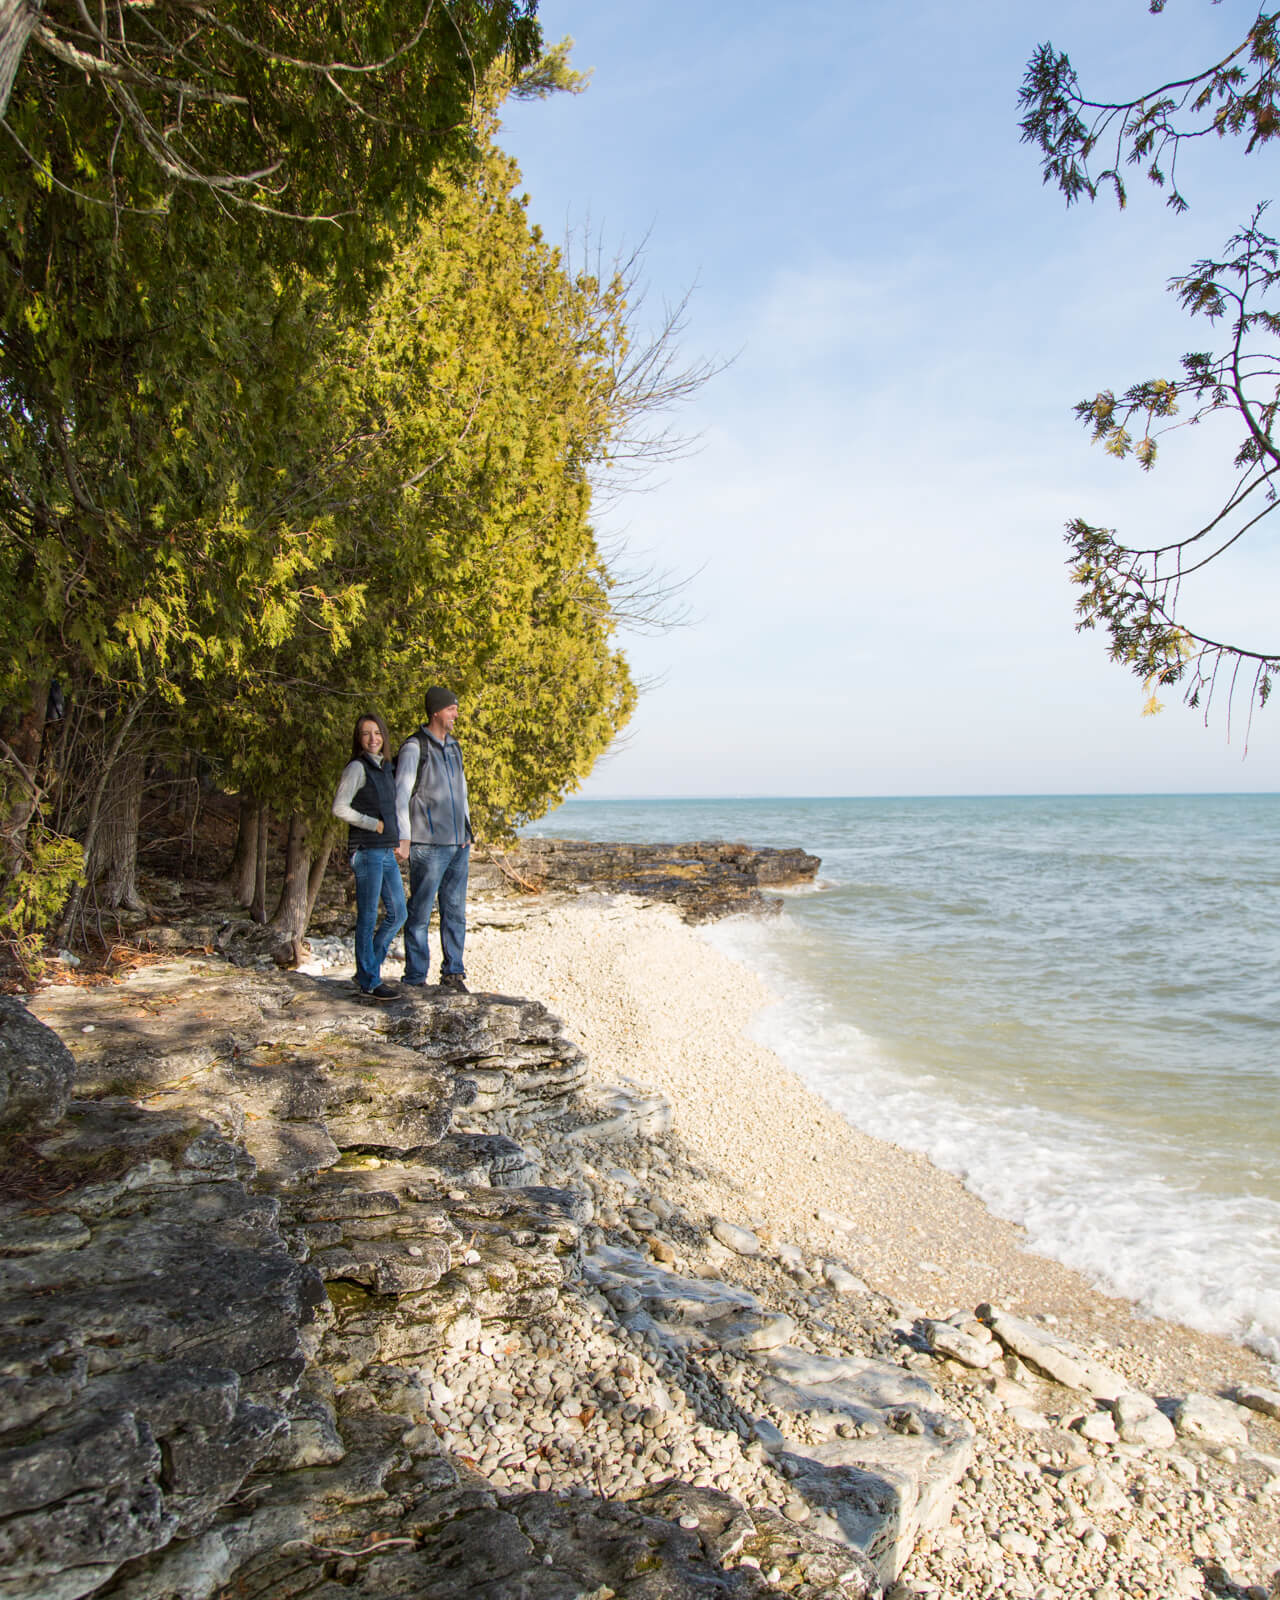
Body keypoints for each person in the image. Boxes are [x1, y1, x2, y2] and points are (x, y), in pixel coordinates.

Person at [395, 686, 472, 992]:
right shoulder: (415, 747)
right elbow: (401, 794)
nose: (456, 714)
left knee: (455, 911)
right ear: (437, 711)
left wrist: (467, 829)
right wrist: (404, 837)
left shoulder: (454, 747)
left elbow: (461, 790)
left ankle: (453, 974)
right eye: (452, 709)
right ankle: (415, 976)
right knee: (420, 912)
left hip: (457, 844)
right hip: (427, 845)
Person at [331, 712, 406, 1000]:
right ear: (359, 739)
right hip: (366, 850)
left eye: (377, 733)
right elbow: (339, 808)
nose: (373, 738)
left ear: (384, 736)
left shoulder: (386, 768)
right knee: (367, 916)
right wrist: (371, 823)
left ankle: (367, 969)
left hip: (385, 850)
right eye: (366, 733)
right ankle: (370, 981)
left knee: (399, 912)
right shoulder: (357, 768)